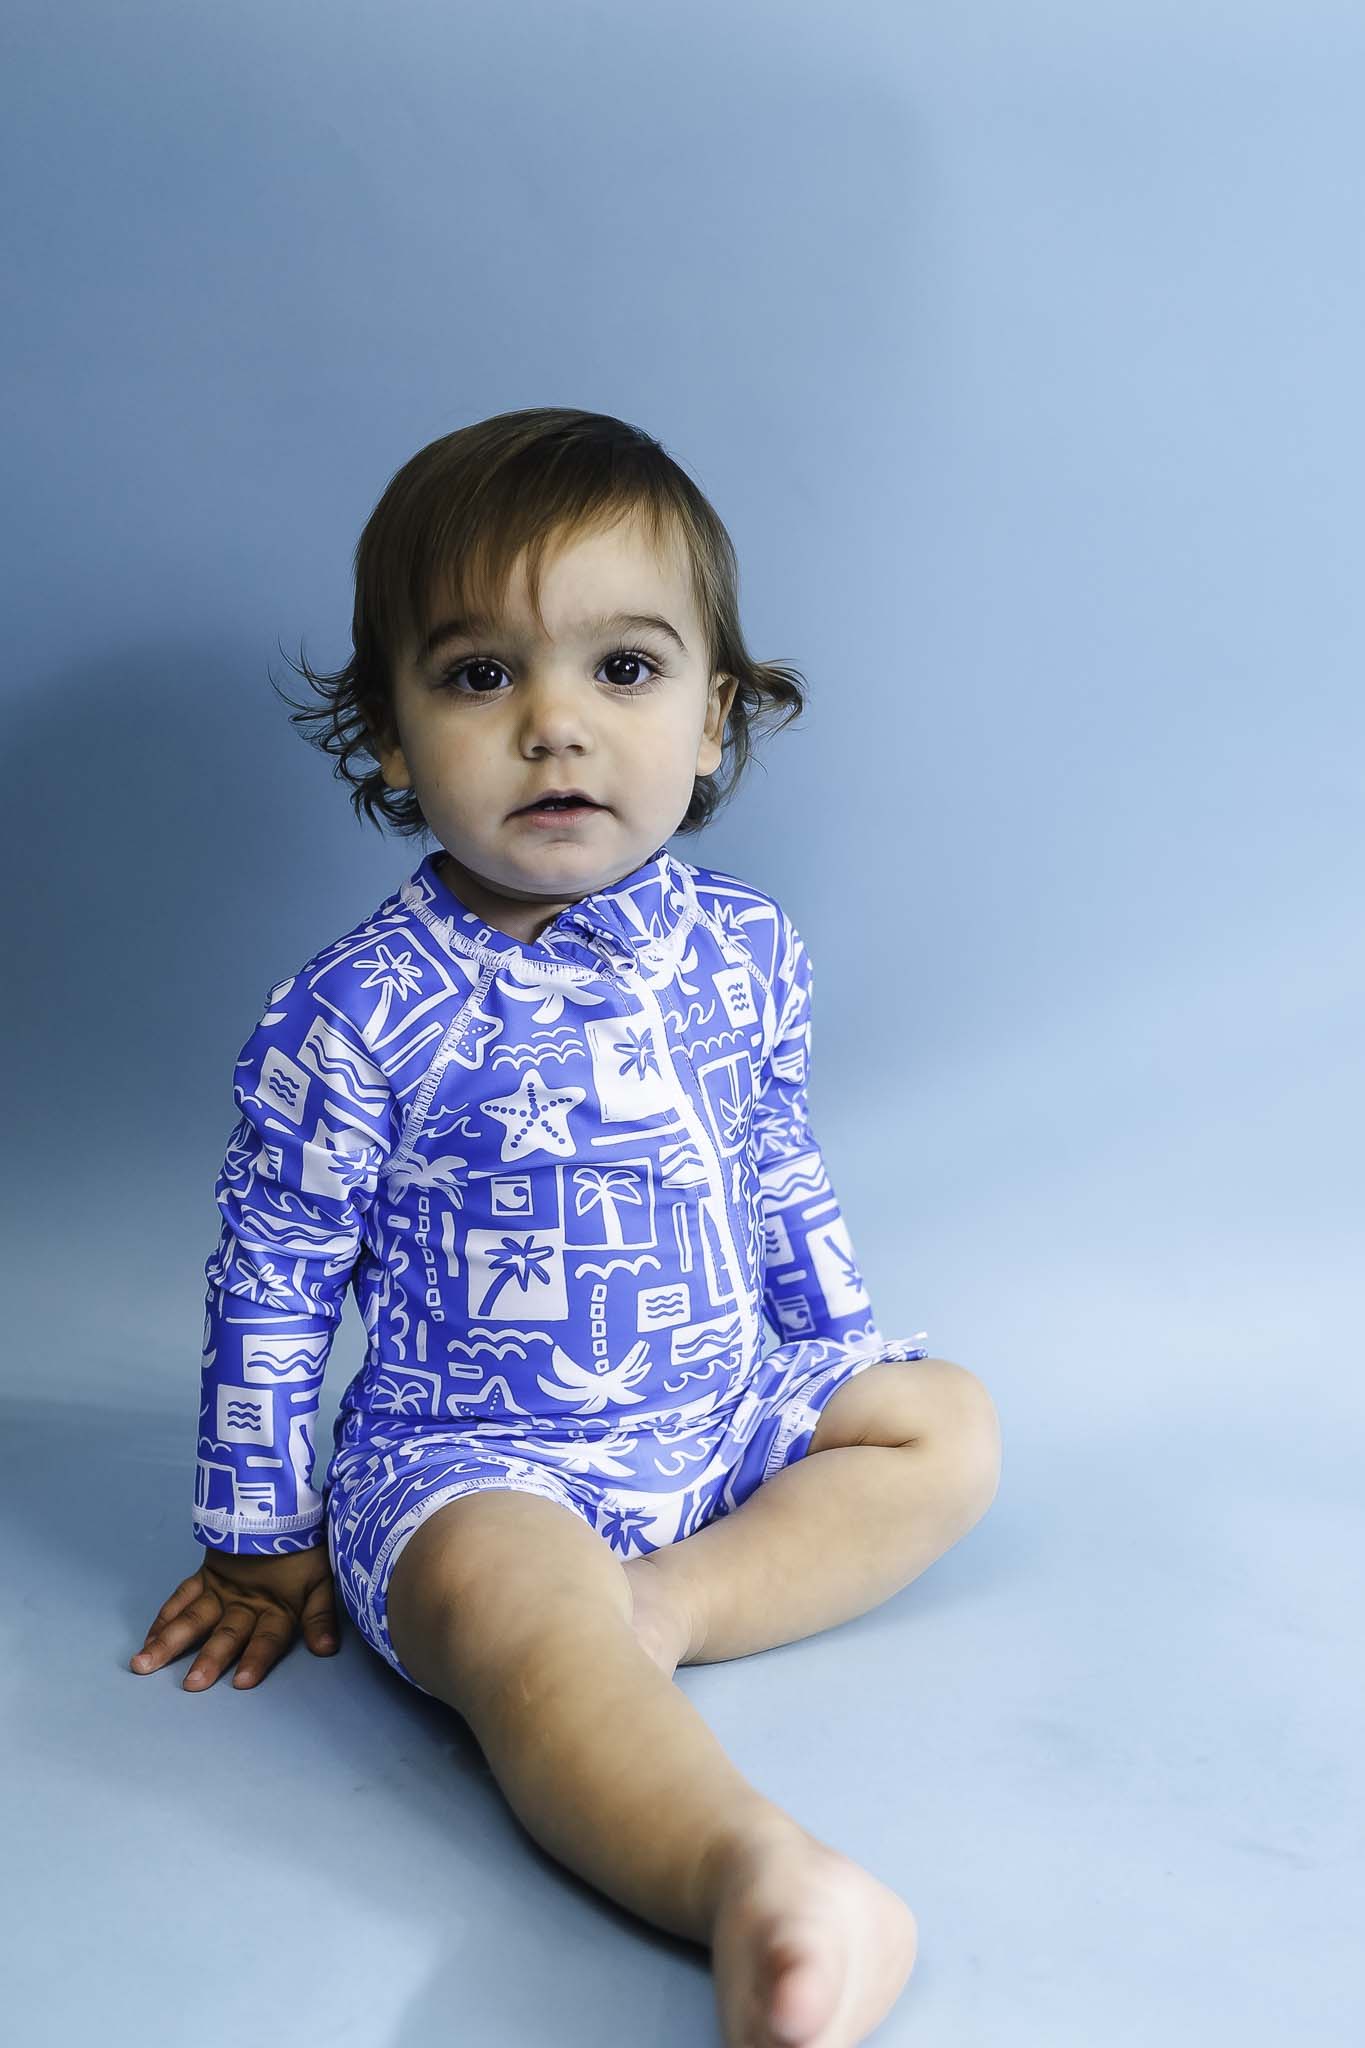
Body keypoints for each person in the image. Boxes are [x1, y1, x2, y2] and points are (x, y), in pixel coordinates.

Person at [130, 407, 1002, 2047]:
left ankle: (667, 1606)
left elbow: (775, 1162)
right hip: (481, 1457)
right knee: (512, 1609)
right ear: (390, 738)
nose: (554, 726)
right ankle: (759, 1880)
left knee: (944, 1425)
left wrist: (836, 1358)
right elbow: (274, 1275)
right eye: (479, 676)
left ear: (711, 720)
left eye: (624, 669)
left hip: (720, 1409)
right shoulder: (360, 1011)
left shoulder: (745, 949)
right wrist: (255, 1530)